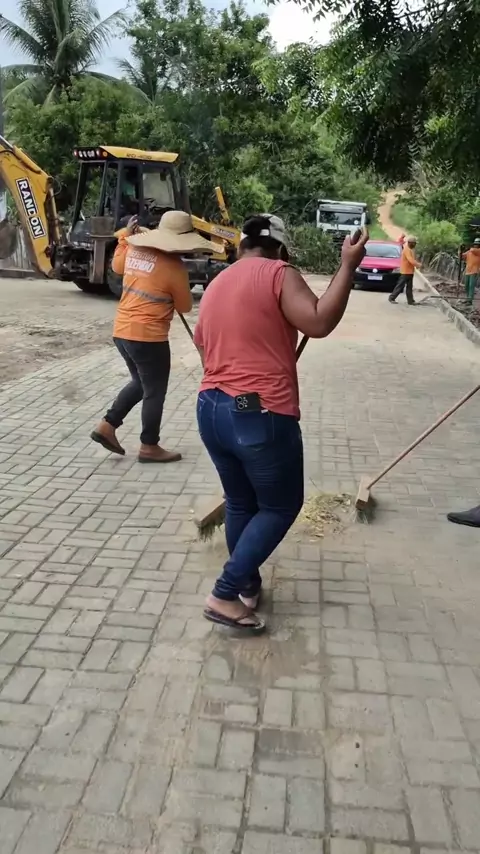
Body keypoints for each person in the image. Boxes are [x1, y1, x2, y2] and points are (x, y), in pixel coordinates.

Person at [193, 214, 368, 634]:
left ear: (240, 245)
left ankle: (246, 588)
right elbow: (318, 321)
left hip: (211, 407)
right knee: (280, 506)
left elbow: (201, 342)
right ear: (281, 248)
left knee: (241, 503)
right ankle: (225, 593)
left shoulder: (219, 280)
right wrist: (347, 265)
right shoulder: (279, 273)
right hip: (257, 412)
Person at [91, 210, 220, 462]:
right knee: (154, 391)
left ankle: (107, 425)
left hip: (122, 332)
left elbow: (117, 266)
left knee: (141, 383)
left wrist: (125, 238)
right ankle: (149, 446)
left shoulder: (135, 250)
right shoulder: (174, 267)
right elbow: (185, 306)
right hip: (148, 338)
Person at [389, 235, 421, 305]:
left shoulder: (410, 250)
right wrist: (418, 265)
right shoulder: (407, 250)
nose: (415, 245)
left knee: (409, 287)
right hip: (405, 272)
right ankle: (392, 298)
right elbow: (410, 260)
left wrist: (416, 265)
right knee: (400, 286)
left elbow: (412, 260)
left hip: (410, 272)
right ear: (410, 243)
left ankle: (410, 301)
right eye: (414, 243)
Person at [462, 237, 480, 305]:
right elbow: (463, 256)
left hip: (474, 271)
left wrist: (468, 247)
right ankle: (468, 299)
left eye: (477, 244)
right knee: (466, 286)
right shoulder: (470, 251)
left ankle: (470, 301)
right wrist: (460, 250)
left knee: (471, 286)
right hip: (468, 271)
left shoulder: (478, 251)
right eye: (475, 244)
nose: (476, 245)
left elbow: (472, 250)